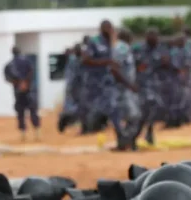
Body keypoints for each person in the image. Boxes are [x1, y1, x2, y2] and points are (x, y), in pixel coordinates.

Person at [82, 20, 137, 150]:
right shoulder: (94, 41)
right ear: (101, 29)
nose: (109, 30)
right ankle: (94, 126)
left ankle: (122, 138)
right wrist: (105, 62)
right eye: (107, 28)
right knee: (106, 110)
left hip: (112, 83)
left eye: (111, 28)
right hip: (98, 83)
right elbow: (86, 60)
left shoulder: (114, 44)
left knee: (115, 110)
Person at [136, 28, 167, 145]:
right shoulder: (140, 49)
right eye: (151, 36)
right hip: (143, 85)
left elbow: (164, 63)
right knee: (143, 110)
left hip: (156, 84)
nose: (154, 39)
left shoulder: (160, 48)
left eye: (155, 36)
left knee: (154, 109)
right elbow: (136, 65)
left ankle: (149, 132)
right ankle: (135, 135)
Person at [4, 47, 41, 141]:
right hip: (29, 90)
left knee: (21, 113)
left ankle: (23, 134)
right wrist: (25, 82)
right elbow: (32, 72)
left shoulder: (9, 64)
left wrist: (19, 83)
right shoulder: (27, 61)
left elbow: (7, 78)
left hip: (19, 92)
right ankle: (37, 133)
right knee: (32, 111)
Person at [114, 29, 141, 147]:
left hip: (124, 88)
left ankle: (124, 141)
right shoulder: (122, 48)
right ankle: (125, 141)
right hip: (123, 89)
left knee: (128, 116)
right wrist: (129, 85)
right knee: (134, 115)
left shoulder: (122, 47)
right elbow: (114, 69)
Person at [57, 45, 84, 133]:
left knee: (73, 106)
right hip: (76, 87)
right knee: (76, 107)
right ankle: (65, 119)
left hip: (75, 86)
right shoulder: (76, 60)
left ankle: (68, 120)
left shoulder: (73, 60)